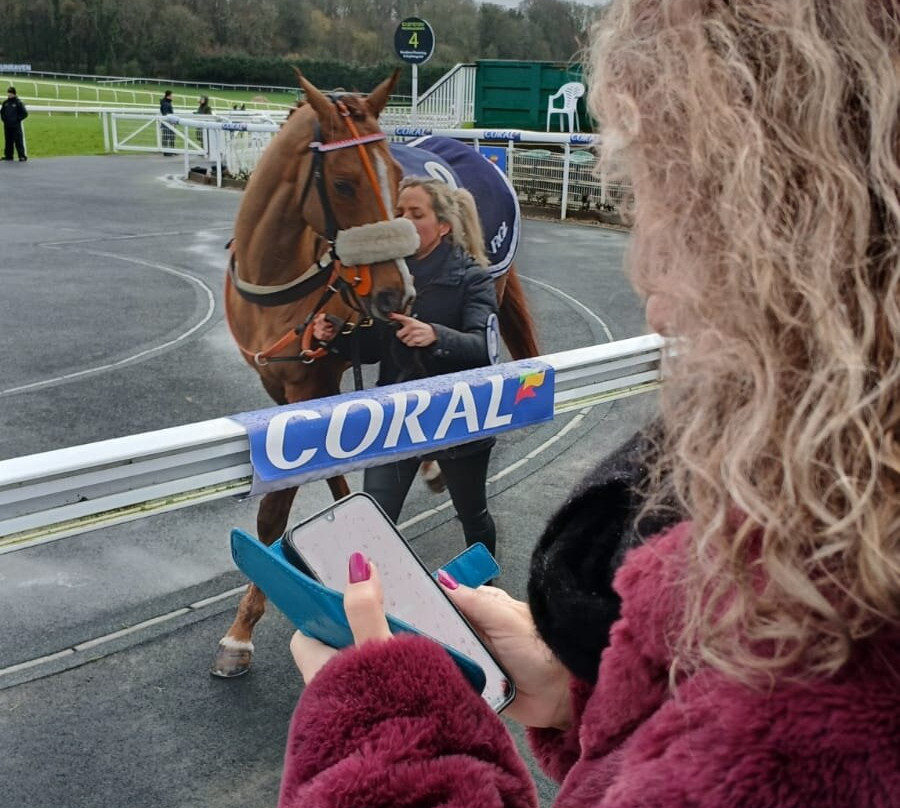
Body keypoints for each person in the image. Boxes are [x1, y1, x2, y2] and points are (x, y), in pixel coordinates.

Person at [282, 1, 900, 806]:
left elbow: (482, 345)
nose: (656, 303)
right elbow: (688, 749)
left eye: (673, 210)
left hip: (463, 424)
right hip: (407, 419)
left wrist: (384, 740)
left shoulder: (806, 694)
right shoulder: (813, 554)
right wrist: (587, 701)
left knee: (471, 515)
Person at [312, 176, 501, 558]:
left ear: (444, 226)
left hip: (457, 417)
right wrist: (334, 336)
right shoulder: (388, 277)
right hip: (397, 415)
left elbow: (486, 349)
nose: (404, 221)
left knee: (472, 516)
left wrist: (436, 335)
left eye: (416, 214)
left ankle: (487, 591)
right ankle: (363, 605)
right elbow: (372, 349)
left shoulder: (473, 277)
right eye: (399, 213)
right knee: (373, 520)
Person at [1, 86, 28, 161]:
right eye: (8, 93)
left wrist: (17, 119)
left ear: (14, 94)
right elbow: (2, 112)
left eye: (11, 93)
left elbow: (24, 113)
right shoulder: (5, 103)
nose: (9, 94)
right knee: (8, 141)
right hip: (7, 125)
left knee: (18, 140)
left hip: (15, 126)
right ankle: (8, 155)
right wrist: (4, 119)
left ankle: (22, 156)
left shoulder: (18, 103)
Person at [159, 90, 175, 155]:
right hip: (167, 122)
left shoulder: (166, 102)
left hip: (168, 121)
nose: (173, 97)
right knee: (167, 136)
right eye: (172, 95)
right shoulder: (166, 103)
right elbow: (166, 113)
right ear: (168, 96)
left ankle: (172, 150)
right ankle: (166, 151)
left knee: (170, 136)